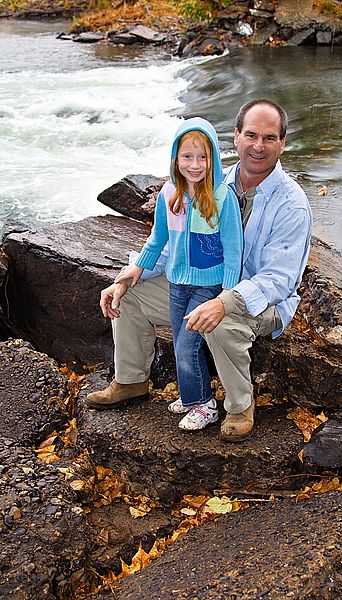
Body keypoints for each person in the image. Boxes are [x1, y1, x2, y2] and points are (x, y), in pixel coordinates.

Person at [85, 98, 313, 443]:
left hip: (262, 301)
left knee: (218, 321)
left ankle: (239, 405)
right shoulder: (206, 181)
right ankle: (131, 380)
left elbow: (279, 280)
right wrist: (129, 274)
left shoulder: (291, 203)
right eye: (251, 135)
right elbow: (174, 243)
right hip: (201, 283)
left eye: (269, 138)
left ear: (282, 143)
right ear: (235, 136)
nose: (258, 146)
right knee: (128, 296)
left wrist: (226, 300)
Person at [86, 117, 243, 432]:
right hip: (177, 285)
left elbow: (233, 252)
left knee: (187, 345)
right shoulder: (169, 194)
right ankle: (189, 396)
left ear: (213, 157)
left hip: (207, 287)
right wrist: (131, 274)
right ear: (176, 158)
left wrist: (227, 294)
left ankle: (205, 405)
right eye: (187, 157)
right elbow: (157, 241)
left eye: (203, 157)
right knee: (180, 342)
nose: (195, 164)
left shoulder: (222, 198)